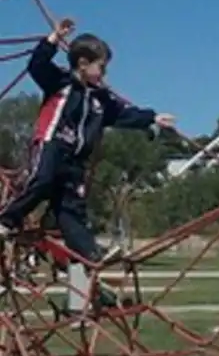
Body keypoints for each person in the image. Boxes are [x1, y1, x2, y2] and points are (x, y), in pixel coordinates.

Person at [0, 18, 175, 265]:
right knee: (42, 181)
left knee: (71, 210)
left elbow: (123, 114)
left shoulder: (100, 100)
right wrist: (53, 39)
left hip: (75, 161)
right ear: (83, 64)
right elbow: (37, 65)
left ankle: (89, 253)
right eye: (101, 68)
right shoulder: (59, 82)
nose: (104, 74)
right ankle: (7, 219)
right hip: (52, 144)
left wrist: (152, 118)